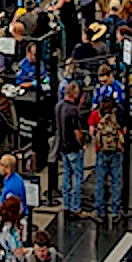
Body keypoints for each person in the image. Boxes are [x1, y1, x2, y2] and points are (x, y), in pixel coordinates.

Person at [89, 98, 125, 222]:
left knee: (100, 182)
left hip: (101, 151)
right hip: (116, 151)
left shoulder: (96, 113)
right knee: (116, 182)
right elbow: (123, 130)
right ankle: (115, 212)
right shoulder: (119, 113)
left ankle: (100, 212)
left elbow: (91, 131)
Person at [55, 82, 86, 219]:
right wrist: (82, 144)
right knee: (77, 177)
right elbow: (77, 132)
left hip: (63, 147)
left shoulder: (59, 106)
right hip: (73, 148)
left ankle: (66, 205)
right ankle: (75, 207)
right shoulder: (73, 111)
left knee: (66, 178)